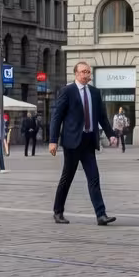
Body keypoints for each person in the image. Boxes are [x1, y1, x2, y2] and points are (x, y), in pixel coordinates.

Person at [48, 62, 119, 226]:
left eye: (88, 72)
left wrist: (111, 134)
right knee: (67, 178)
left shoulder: (94, 92)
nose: (87, 74)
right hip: (72, 142)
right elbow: (57, 117)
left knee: (94, 178)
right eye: (84, 72)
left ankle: (101, 215)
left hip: (88, 141)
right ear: (76, 73)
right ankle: (58, 211)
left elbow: (102, 116)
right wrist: (53, 141)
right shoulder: (67, 91)